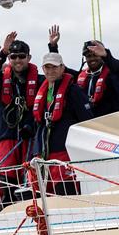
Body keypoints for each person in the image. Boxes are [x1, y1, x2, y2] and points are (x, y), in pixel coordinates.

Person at [0, 33, 44, 212]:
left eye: (22, 56)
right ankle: (6, 206)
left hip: (30, 135)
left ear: (29, 57)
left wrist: (31, 123)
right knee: (5, 173)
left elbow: (42, 105)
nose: (18, 60)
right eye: (13, 57)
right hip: (7, 133)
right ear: (9, 58)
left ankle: (33, 208)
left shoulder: (40, 80)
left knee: (30, 175)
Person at [33, 53, 93, 195]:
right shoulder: (42, 90)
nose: (50, 71)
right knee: (46, 196)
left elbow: (87, 120)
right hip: (44, 153)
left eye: (54, 67)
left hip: (65, 153)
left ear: (62, 68)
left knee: (66, 193)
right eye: (47, 67)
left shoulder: (73, 91)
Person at [76, 41, 119, 117]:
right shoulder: (81, 75)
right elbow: (60, 72)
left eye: (95, 55)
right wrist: (53, 47)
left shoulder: (112, 75)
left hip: (107, 120)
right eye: (89, 56)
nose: (92, 59)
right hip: (87, 121)